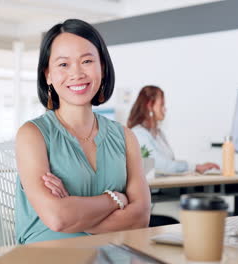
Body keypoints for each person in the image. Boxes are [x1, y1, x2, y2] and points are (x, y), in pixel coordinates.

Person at [14, 19, 151, 244]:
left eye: (87, 61)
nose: (77, 73)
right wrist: (115, 200)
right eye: (63, 64)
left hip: (112, 255)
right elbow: (58, 219)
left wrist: (74, 211)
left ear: (103, 68)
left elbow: (141, 218)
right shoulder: (32, 135)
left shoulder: (125, 136)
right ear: (48, 74)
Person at [127, 85, 219, 174]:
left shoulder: (158, 134)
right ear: (150, 106)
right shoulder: (139, 134)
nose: (164, 109)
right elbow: (163, 166)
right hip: (154, 188)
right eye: (162, 105)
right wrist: (196, 167)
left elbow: (170, 162)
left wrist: (195, 167)